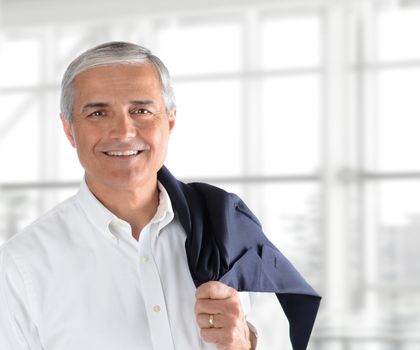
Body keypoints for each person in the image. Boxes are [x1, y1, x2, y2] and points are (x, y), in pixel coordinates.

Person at [0, 42, 320, 350]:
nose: (124, 131)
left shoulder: (229, 232)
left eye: (140, 110)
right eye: (98, 113)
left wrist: (243, 343)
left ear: (169, 120)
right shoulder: (20, 268)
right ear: (70, 130)